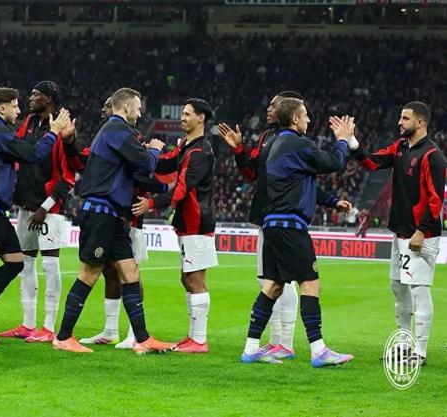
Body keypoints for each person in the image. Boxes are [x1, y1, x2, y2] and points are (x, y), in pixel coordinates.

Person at [218, 91, 350, 360]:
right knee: (310, 284)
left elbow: (300, 184)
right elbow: (334, 162)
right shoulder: (299, 144)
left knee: (272, 286)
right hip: (291, 226)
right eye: (305, 116)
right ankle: (319, 350)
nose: (309, 120)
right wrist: (343, 140)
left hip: (271, 224)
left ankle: (250, 349)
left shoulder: (274, 145)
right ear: (295, 118)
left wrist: (332, 201)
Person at [52, 87, 174, 354]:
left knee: (130, 273)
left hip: (113, 216)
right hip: (100, 213)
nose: (139, 114)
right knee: (89, 273)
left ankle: (142, 339)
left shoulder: (114, 132)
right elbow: (146, 164)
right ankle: (63, 337)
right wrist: (154, 150)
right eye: (138, 108)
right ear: (127, 106)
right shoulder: (117, 129)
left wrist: (165, 189)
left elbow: (135, 174)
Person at [0, 87, 73, 346]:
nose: (18, 110)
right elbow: (32, 154)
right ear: (2, 108)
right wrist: (54, 133)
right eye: (14, 105)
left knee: (15, 261)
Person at [344, 101, 445, 365]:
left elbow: (436, 199)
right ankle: (403, 344)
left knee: (419, 289)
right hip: (400, 231)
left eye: (405, 118)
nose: (399, 122)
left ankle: (420, 352)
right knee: (398, 287)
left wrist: (421, 231)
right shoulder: (400, 147)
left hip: (420, 235)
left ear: (420, 122)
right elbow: (371, 163)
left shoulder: (433, 156)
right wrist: (352, 141)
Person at [133, 98, 217, 353]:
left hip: (197, 223)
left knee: (195, 279)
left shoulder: (199, 152)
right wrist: (148, 152)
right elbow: (166, 163)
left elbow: (181, 190)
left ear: (201, 118)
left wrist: (152, 203)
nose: (182, 117)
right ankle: (193, 337)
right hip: (188, 224)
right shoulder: (186, 146)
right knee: (187, 278)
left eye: (187, 114)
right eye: (182, 113)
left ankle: (199, 340)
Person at [0, 81, 75, 343]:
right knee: (26, 263)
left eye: (36, 94)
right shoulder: (28, 122)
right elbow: (21, 153)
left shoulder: (62, 127)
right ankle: (28, 324)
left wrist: (45, 207)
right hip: (26, 206)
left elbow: (68, 177)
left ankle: (49, 327)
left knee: (50, 264)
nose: (30, 98)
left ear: (49, 98)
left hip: (49, 209)